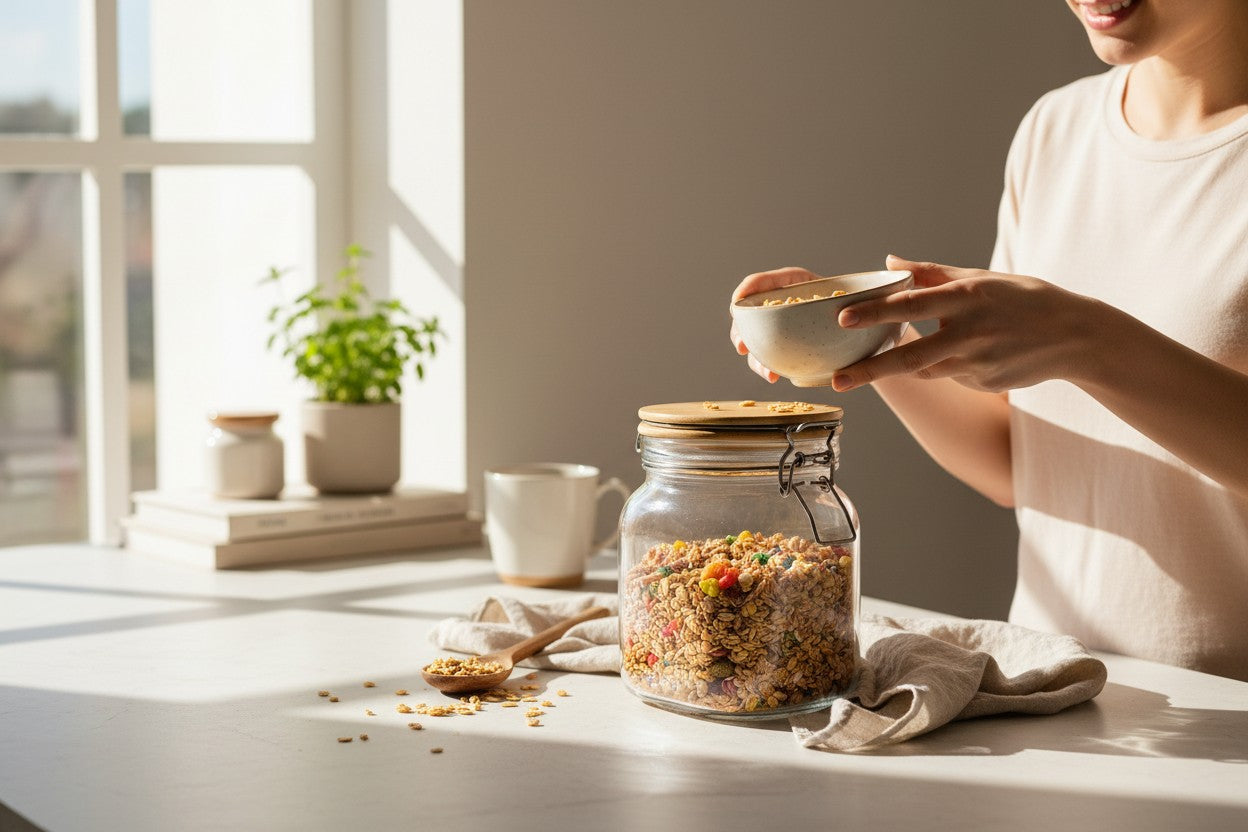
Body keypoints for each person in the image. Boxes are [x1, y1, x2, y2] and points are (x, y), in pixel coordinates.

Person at [730, 0, 1248, 681]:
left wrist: (1085, 339)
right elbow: (1018, 463)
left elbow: (1084, 351)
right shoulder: (1056, 131)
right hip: (1055, 695)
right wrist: (863, 339)